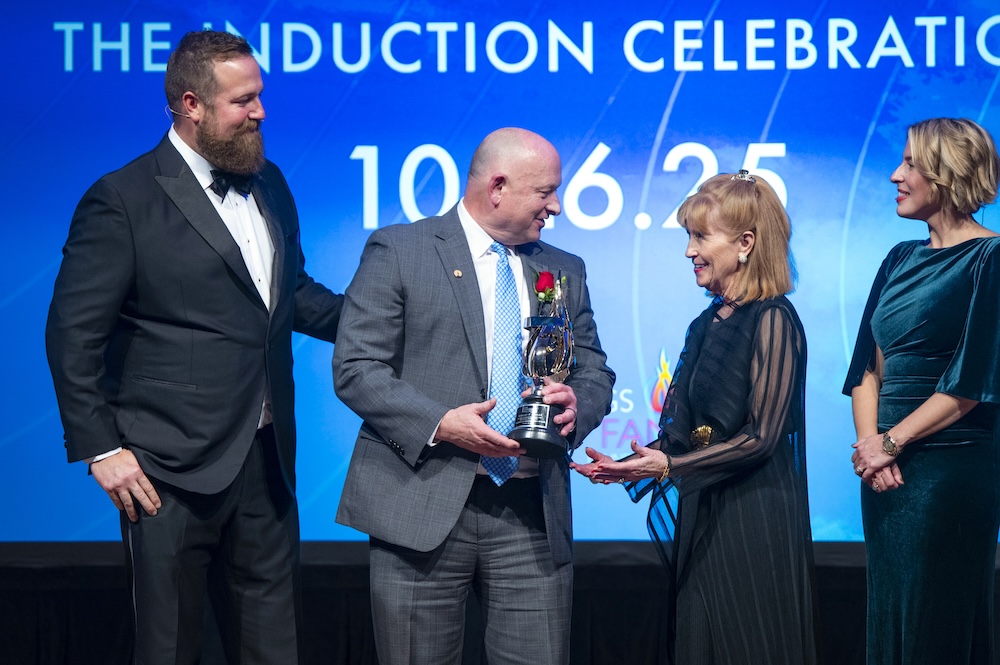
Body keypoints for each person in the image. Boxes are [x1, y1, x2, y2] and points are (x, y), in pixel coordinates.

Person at [45, 30, 342, 664]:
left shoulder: (270, 182)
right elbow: (73, 335)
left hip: (266, 461)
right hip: (165, 470)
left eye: (259, 95)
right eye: (244, 101)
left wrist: (397, 323)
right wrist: (100, 448)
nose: (260, 111)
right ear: (191, 104)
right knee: (169, 649)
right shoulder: (122, 198)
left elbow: (291, 296)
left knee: (274, 650)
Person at [333, 127, 615, 665]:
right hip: (422, 504)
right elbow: (356, 368)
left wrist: (579, 406)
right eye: (545, 192)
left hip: (532, 513)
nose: (555, 206)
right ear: (498, 186)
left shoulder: (563, 268)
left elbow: (594, 368)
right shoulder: (401, 250)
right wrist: (441, 421)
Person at [573, 171, 818, 664]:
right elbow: (679, 438)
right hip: (703, 513)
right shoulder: (703, 324)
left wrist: (668, 468)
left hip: (754, 518)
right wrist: (632, 465)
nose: (689, 251)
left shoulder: (773, 318)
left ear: (746, 243)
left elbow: (761, 438)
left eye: (700, 236)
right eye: (689, 236)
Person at [844, 117, 1000, 664]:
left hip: (948, 474)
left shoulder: (990, 259)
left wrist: (891, 443)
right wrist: (871, 448)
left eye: (910, 163)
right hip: (885, 475)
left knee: (939, 624)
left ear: (947, 172)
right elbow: (867, 368)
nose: (895, 174)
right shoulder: (897, 259)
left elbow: (973, 382)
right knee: (892, 617)